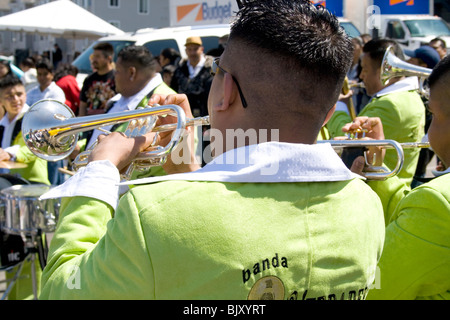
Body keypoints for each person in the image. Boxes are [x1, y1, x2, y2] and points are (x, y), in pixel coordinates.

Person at [39, 0, 384, 300]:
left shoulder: (152, 217)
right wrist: (189, 176)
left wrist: (99, 172)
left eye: (218, 71)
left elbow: (59, 289)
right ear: (327, 113)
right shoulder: (367, 206)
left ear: (225, 92)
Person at [343, 55, 450, 300]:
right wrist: (379, 169)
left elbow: (374, 287)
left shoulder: (437, 203)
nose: (429, 132)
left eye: (433, 116)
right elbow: (414, 218)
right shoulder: (432, 205)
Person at [326, 39, 426, 187]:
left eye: (365, 69)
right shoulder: (410, 96)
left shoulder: (389, 105)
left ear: (382, 72)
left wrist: (338, 105)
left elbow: (348, 140)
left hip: (380, 190)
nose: (361, 76)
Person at [72, 45, 176, 179]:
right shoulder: (121, 98)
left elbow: (166, 158)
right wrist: (81, 149)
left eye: (117, 71)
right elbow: (105, 135)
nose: (114, 76)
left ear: (132, 73)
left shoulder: (166, 102)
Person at [0, 75, 50, 185]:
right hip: (8, 181)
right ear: (1, 100)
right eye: (9, 96)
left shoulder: (34, 118)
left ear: (25, 95)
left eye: (19, 94)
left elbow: (36, 148)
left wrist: (9, 153)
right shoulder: (2, 124)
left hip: (32, 184)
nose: (16, 100)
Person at [170, 36, 213, 117]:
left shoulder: (210, 69)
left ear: (201, 49)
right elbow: (173, 90)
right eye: (189, 49)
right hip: (185, 115)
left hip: (206, 115)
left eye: (195, 49)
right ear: (186, 51)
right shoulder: (180, 69)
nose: (192, 53)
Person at [79, 42, 116, 116]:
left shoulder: (116, 78)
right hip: (90, 123)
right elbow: (83, 104)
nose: (94, 60)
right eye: (93, 56)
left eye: (98, 56)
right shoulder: (89, 79)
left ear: (108, 58)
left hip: (108, 123)